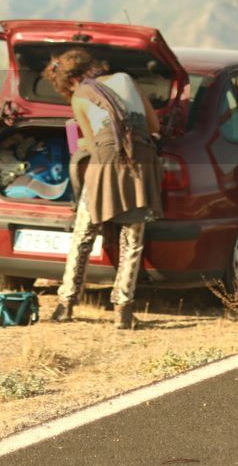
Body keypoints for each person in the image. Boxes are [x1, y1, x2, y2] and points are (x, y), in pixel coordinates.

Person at [41, 48, 162, 329]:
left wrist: (82, 144)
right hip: (140, 159)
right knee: (132, 239)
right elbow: (154, 125)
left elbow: (93, 144)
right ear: (91, 66)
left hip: (104, 164)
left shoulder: (80, 98)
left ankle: (66, 304)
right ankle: (123, 309)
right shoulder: (126, 79)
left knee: (84, 232)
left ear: (69, 81)